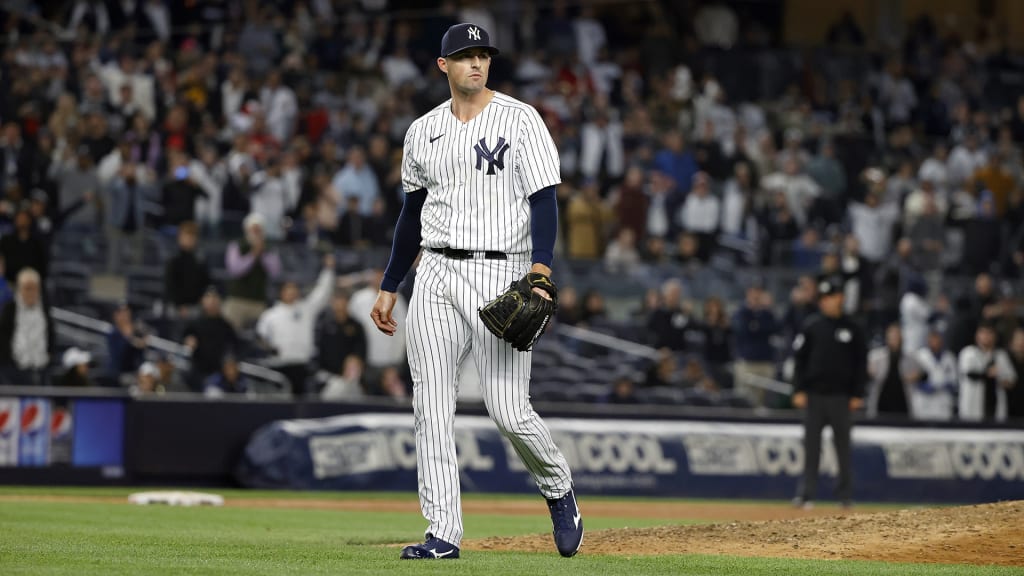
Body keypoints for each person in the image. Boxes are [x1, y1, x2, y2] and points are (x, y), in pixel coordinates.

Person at [369, 23, 582, 560]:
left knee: (508, 410)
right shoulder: (422, 131)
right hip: (436, 273)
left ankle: (558, 488)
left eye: (482, 55)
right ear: (444, 65)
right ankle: (443, 533)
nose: (476, 64)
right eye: (465, 56)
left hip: (502, 271)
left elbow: (544, 199)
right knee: (431, 406)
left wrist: (540, 268)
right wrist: (391, 284)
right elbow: (412, 214)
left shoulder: (521, 119)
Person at [791, 276, 867, 509]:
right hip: (814, 395)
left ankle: (845, 495)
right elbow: (799, 360)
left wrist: (857, 394)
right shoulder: (812, 325)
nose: (825, 302)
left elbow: (860, 364)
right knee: (811, 446)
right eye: (823, 298)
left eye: (830, 297)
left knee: (842, 447)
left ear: (840, 298)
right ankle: (807, 494)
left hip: (841, 397)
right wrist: (799, 389)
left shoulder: (853, 328)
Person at [255, 253, 335, 396]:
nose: (292, 292)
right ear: (281, 292)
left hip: (303, 366)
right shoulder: (271, 315)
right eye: (288, 289)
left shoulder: (306, 309)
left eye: (294, 288)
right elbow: (260, 336)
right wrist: (268, 347)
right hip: (280, 366)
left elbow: (323, 293)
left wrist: (328, 270)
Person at [223, 213, 282, 331]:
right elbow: (235, 270)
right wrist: (253, 255)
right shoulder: (236, 246)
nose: (256, 233)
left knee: (265, 332)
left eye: (258, 230)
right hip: (237, 299)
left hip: (258, 301)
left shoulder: (269, 249)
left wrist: (262, 254)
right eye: (253, 230)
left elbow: (275, 271)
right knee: (228, 330)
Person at [0, 268, 54, 385]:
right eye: (27, 289)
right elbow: (3, 339)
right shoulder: (10, 309)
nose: (31, 293)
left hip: (41, 370)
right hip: (13, 371)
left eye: (34, 288)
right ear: (19, 289)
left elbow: (51, 335)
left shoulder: (44, 309)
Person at [958, 322, 1016, 422]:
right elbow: (970, 374)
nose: (986, 336)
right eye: (983, 333)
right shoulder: (969, 353)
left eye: (990, 333)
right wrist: (987, 373)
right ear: (977, 335)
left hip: (994, 406)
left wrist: (999, 377)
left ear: (995, 336)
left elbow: (1011, 380)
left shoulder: (1000, 355)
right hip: (972, 407)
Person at [183, 287, 237, 391]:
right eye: (208, 297)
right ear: (202, 301)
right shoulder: (194, 323)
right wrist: (188, 341)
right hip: (197, 370)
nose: (212, 301)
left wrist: (230, 360)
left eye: (214, 297)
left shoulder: (225, 326)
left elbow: (234, 347)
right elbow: (183, 337)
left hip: (219, 372)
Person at [866, 324, 921, 419]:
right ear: (887, 338)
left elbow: (923, 373)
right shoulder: (876, 356)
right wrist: (869, 372)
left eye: (896, 336)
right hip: (882, 402)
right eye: (892, 336)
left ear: (901, 338)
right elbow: (867, 374)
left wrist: (917, 375)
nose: (894, 339)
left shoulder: (910, 357)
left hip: (902, 402)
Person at [163, 221, 211, 319]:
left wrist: (203, 300)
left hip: (196, 306)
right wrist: (179, 305)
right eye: (187, 236)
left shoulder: (200, 259)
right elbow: (170, 284)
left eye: (192, 236)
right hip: (176, 307)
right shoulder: (174, 259)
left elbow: (206, 281)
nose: (190, 239)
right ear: (180, 238)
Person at [913, 328, 959, 421]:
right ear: (928, 340)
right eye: (932, 339)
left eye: (937, 338)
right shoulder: (919, 355)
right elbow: (913, 378)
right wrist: (922, 386)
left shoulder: (949, 357)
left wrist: (946, 385)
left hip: (943, 401)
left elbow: (955, 380)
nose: (934, 341)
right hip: (924, 401)